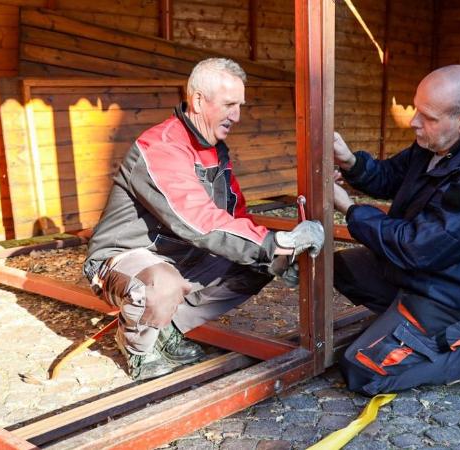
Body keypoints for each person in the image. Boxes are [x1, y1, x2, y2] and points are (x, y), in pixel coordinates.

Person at [83, 58, 324, 381]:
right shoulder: (162, 146)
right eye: (229, 104)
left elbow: (235, 216)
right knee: (162, 282)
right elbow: (195, 219)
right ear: (198, 100)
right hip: (125, 256)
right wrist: (274, 242)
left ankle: (168, 329)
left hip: (179, 252)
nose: (237, 116)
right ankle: (138, 349)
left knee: (260, 265)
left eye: (240, 105)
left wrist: (279, 255)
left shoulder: (214, 150)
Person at [332, 65, 460, 395]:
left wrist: (350, 208)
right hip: (437, 268)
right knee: (341, 268)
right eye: (417, 109)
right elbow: (389, 176)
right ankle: (414, 329)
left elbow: (419, 247)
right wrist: (351, 163)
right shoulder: (440, 142)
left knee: (363, 370)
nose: (414, 121)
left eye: (426, 116)